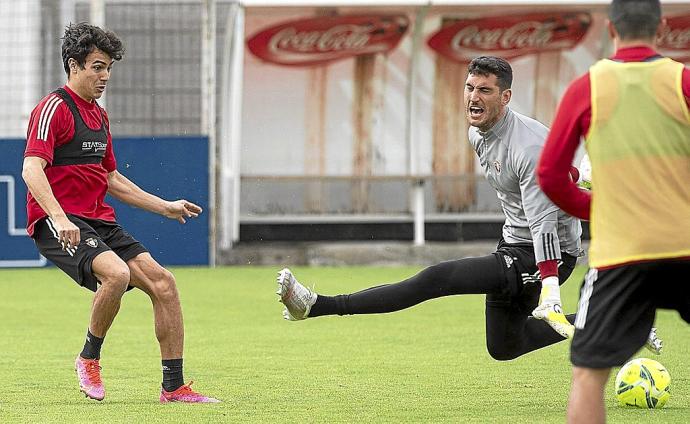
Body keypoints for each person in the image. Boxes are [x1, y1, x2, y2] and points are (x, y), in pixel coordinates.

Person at [276, 55, 653, 362]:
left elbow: (543, 224)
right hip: (513, 246)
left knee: (436, 279)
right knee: (504, 347)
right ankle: (619, 320)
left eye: (485, 90)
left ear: (505, 97)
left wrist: (550, 287)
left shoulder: (527, 148)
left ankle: (317, 305)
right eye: (470, 87)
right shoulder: (477, 131)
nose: (474, 97)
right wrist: (574, 173)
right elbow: (554, 174)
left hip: (545, 255)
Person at [22, 22, 219, 403]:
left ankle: (173, 387)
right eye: (97, 66)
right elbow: (32, 169)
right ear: (73, 65)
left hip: (97, 220)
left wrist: (164, 206)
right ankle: (88, 359)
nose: (105, 76)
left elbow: (110, 177)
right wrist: (60, 218)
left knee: (164, 283)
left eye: (108, 67)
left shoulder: (99, 116)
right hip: (58, 221)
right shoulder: (53, 109)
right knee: (116, 273)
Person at [537, 0, 690, 421]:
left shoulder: (588, 87)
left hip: (621, 254)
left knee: (588, 375)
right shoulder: (684, 82)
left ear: (610, 29)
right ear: (660, 27)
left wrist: (597, 210)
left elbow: (549, 176)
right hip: (684, 245)